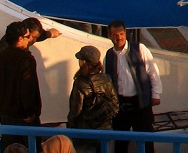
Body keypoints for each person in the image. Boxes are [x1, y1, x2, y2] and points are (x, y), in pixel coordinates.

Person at [0, 22, 42, 146]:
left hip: (6, 115)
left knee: (9, 148)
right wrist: (29, 112)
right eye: (28, 37)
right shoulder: (26, 59)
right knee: (31, 147)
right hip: (25, 117)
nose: (30, 40)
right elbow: (27, 88)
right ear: (20, 39)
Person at [104, 21, 162, 153]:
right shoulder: (108, 55)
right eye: (115, 34)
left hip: (140, 103)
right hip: (120, 105)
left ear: (126, 34)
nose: (118, 37)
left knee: (146, 140)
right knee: (120, 142)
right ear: (109, 36)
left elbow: (153, 72)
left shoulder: (139, 48)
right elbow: (107, 80)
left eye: (121, 34)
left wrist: (155, 94)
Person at [68, 46, 118, 131]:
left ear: (84, 62)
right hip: (106, 127)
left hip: (86, 129)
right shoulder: (106, 78)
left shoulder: (81, 82)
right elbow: (115, 102)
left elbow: (75, 110)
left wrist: (70, 126)